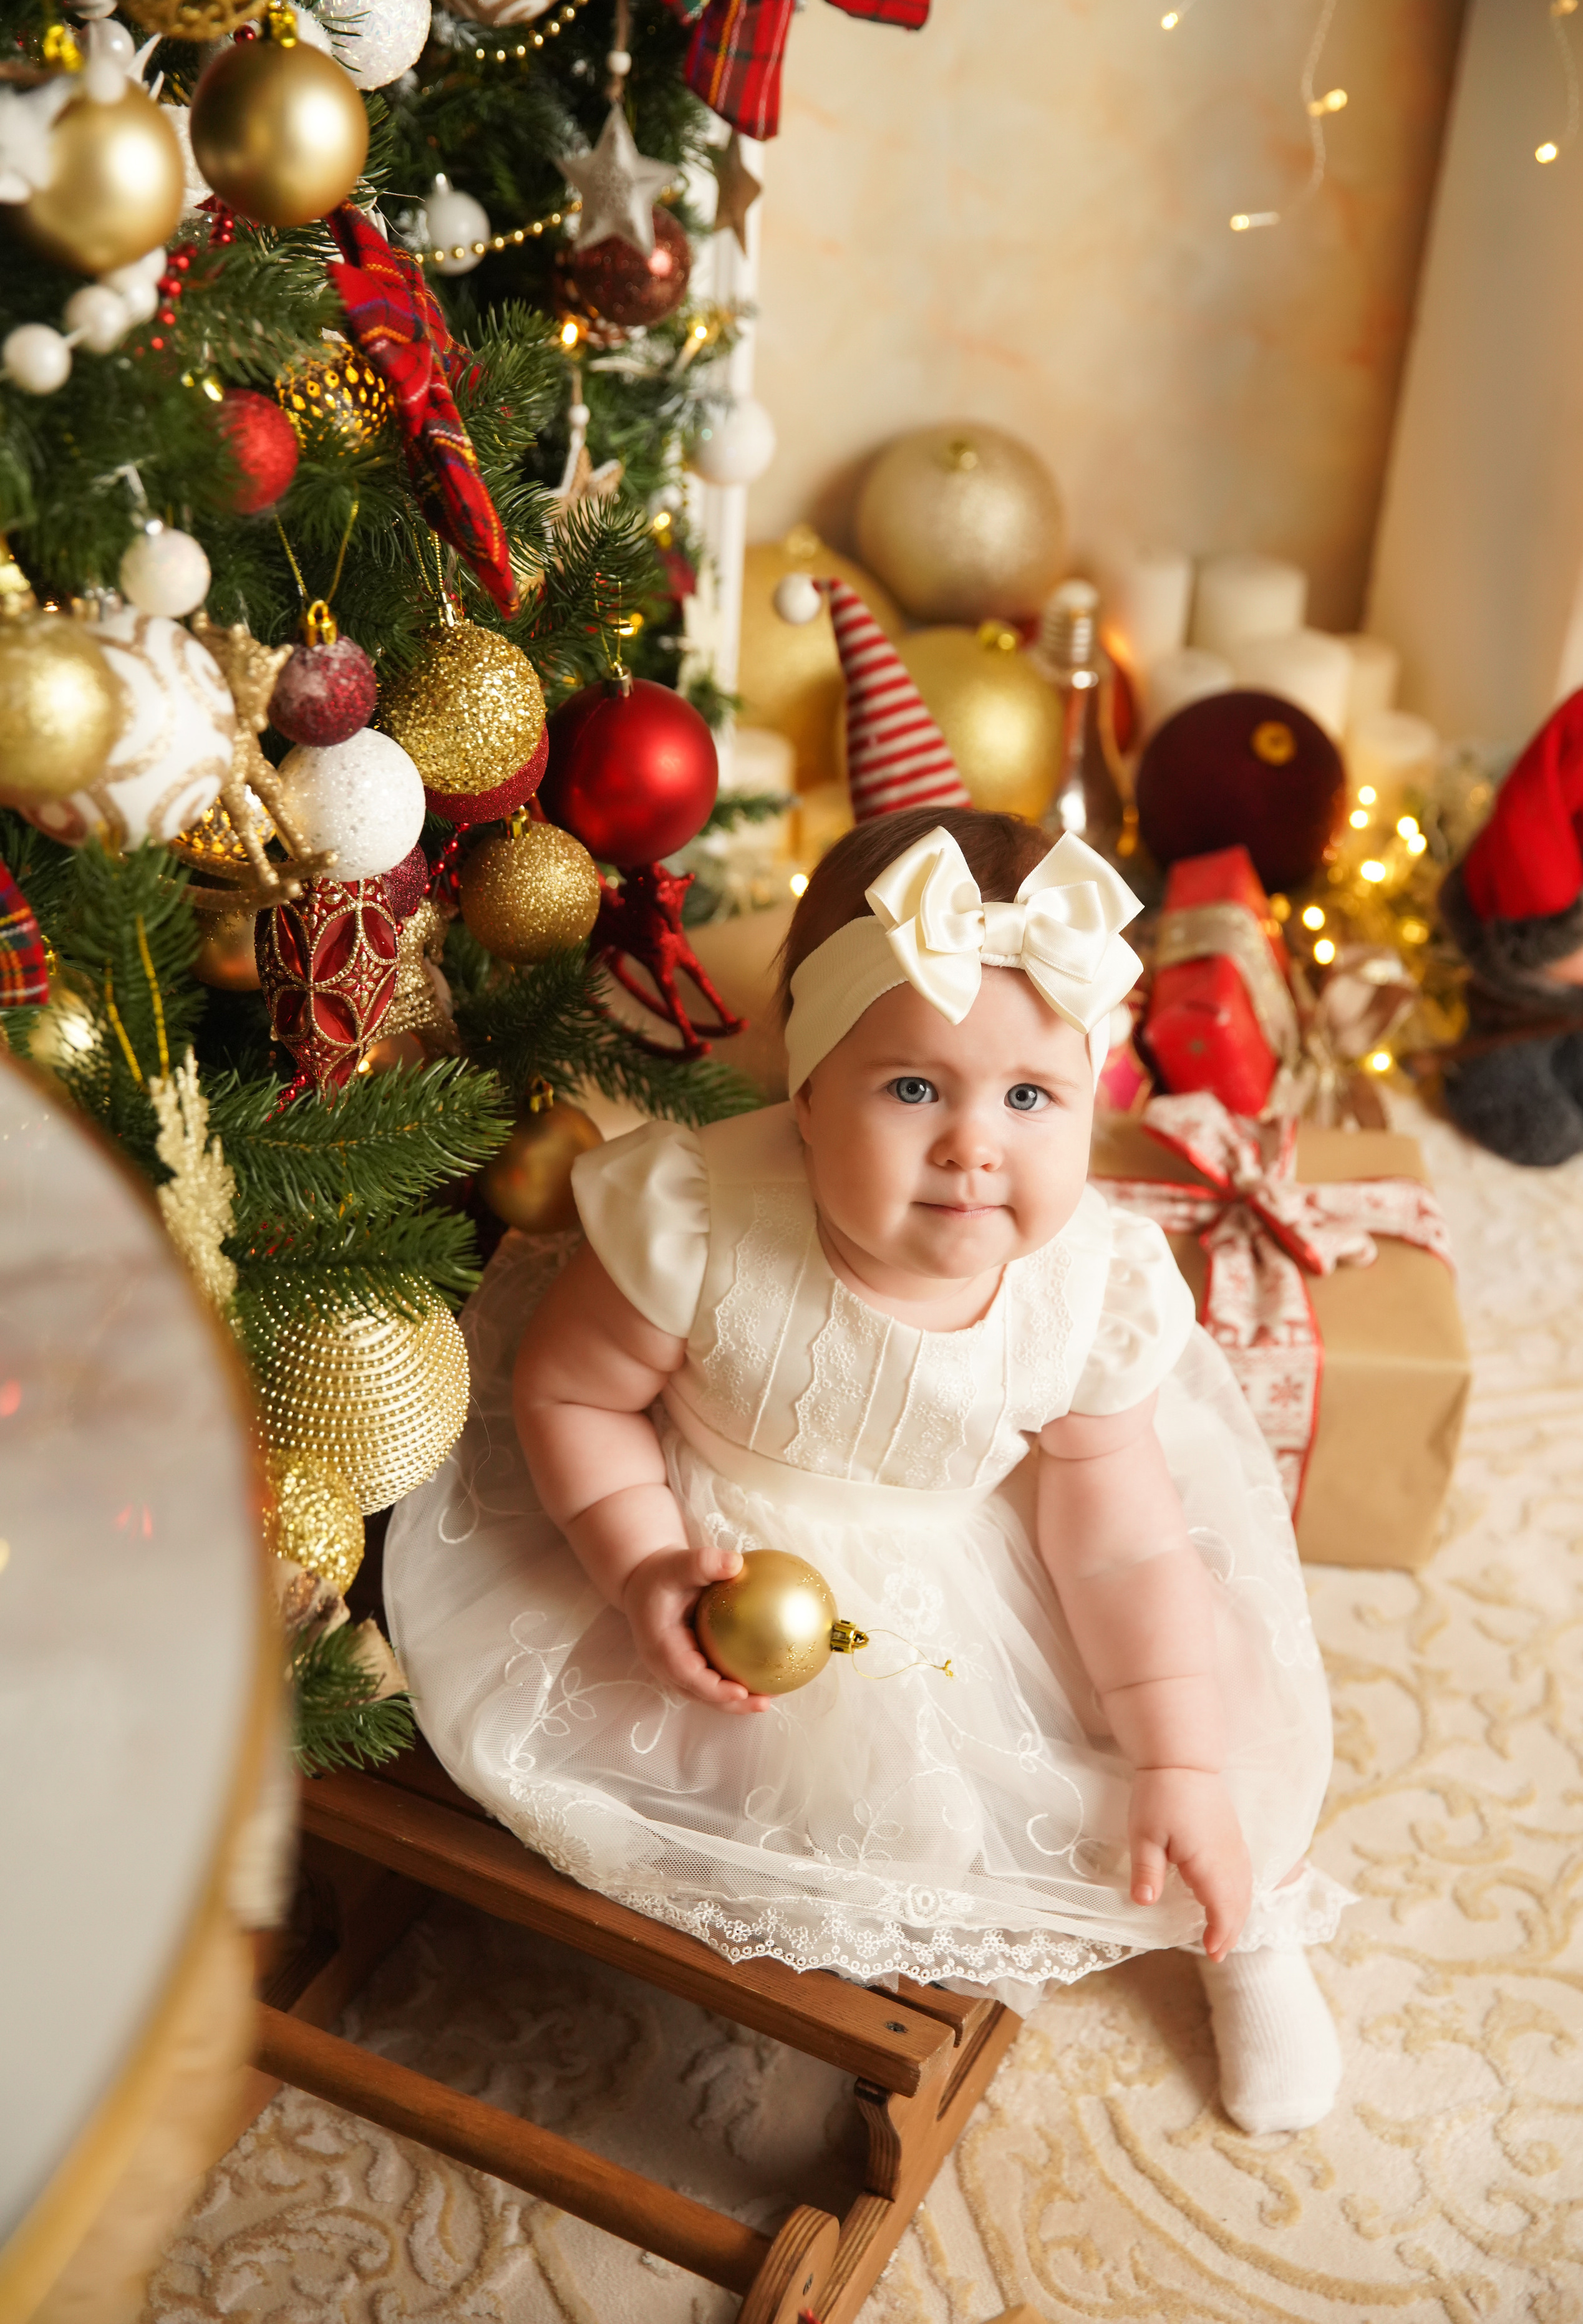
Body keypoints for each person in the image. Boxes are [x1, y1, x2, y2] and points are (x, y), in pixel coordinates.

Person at [385, 808, 1350, 2135]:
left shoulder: (1083, 1291)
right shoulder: (699, 1220)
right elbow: (571, 1392)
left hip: (973, 1555)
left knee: (1192, 1720)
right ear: (805, 1089)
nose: (973, 1146)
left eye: (1029, 1098)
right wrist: (641, 1559)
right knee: (753, 1793)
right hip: (728, 1546)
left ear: (1088, 1096)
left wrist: (1176, 1756)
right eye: (913, 1089)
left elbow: (1120, 1548)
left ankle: (1246, 1926)